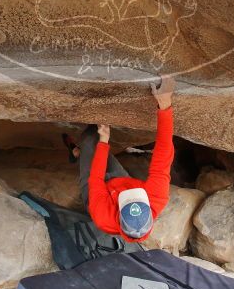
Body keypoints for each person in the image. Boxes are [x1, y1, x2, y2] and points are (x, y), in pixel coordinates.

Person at [69, 75, 175, 243]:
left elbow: (95, 180)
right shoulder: (157, 199)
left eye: (126, 198)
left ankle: (79, 151)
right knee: (97, 150)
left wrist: (104, 141)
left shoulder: (102, 217)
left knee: (91, 137)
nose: (126, 194)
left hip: (98, 194)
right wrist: (165, 106)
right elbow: (163, 156)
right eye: (135, 196)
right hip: (120, 181)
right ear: (148, 208)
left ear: (119, 213)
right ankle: (81, 153)